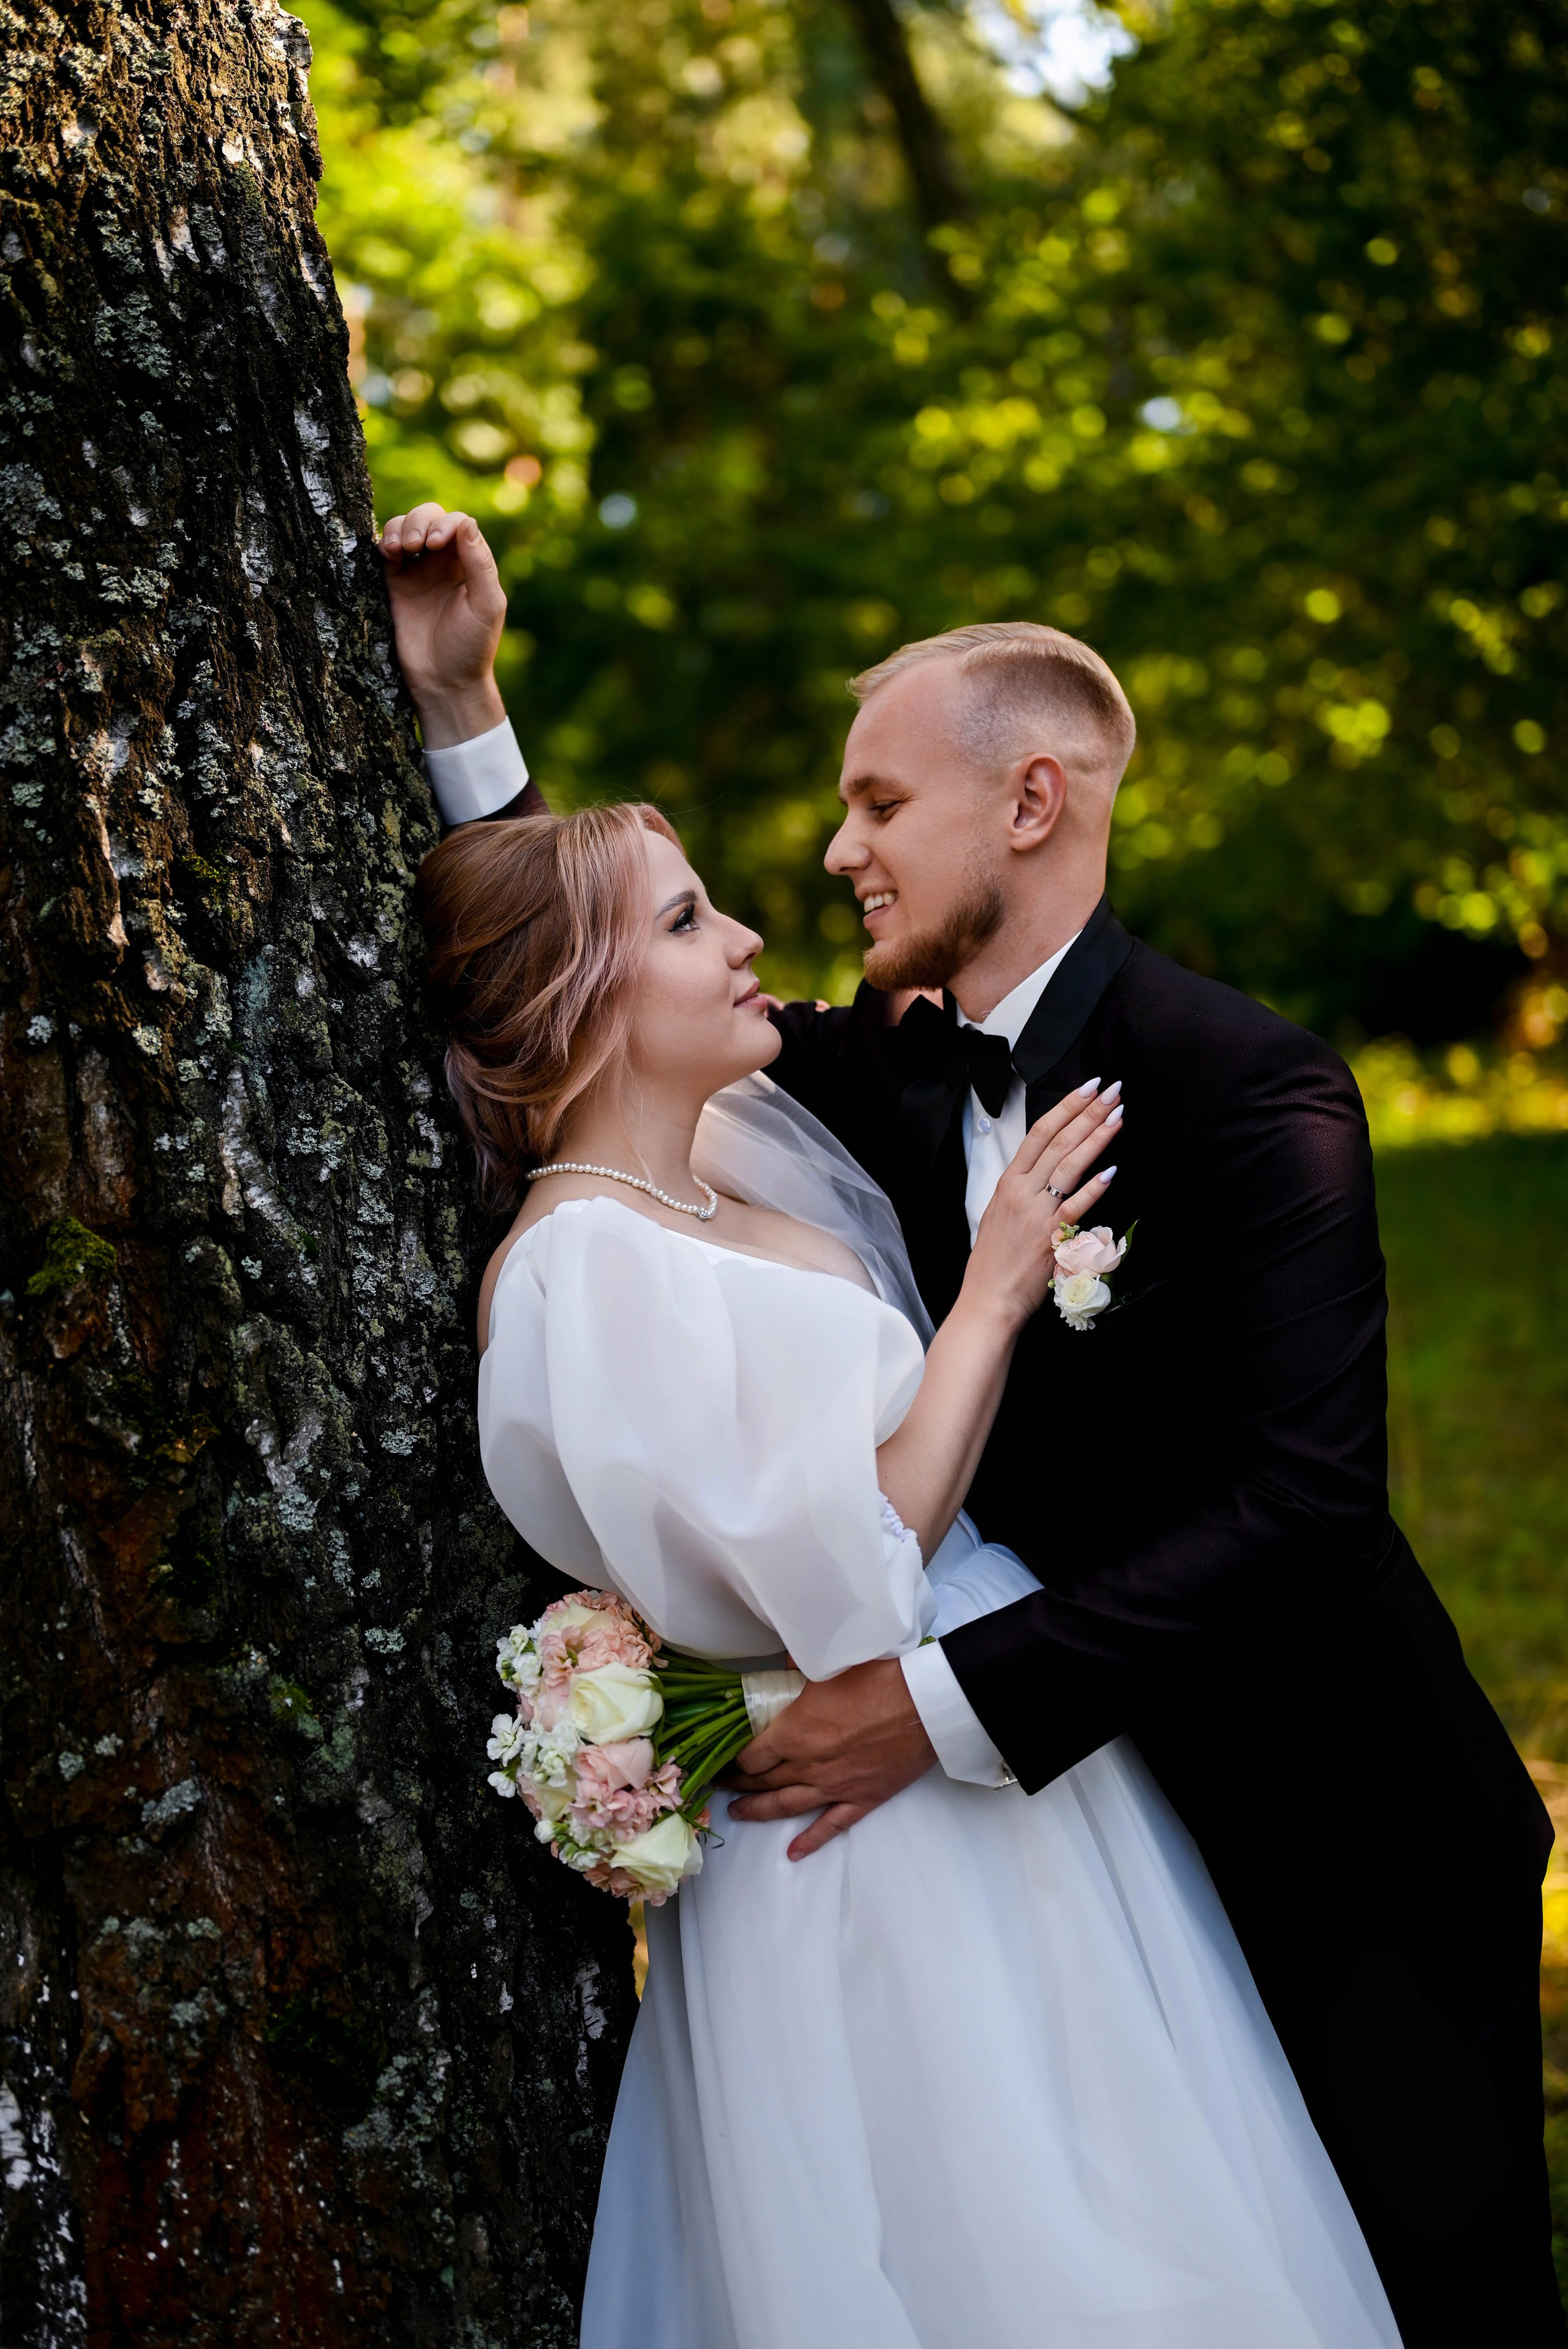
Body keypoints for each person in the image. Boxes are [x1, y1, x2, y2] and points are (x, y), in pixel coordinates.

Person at [385, 503, 1561, 2346]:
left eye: (878, 804)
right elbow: (584, 987)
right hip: (1052, 1851)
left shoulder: (1255, 1093)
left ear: (1029, 803)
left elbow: (1308, 1506)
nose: (838, 850)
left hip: (1333, 1827)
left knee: (1403, 2290)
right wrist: (462, 709)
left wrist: (913, 1709)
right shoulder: (861, 1075)